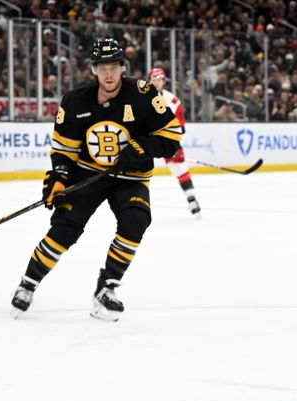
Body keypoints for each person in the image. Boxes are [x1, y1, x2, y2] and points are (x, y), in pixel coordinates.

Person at [10, 38, 182, 321]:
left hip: (131, 177)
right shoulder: (75, 101)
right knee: (65, 229)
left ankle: (107, 287)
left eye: (114, 67)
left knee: (136, 220)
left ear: (122, 67)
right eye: (103, 69)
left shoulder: (143, 94)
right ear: (93, 70)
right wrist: (60, 178)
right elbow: (63, 151)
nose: (109, 75)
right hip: (89, 174)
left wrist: (143, 148)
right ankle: (28, 283)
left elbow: (172, 136)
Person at [149, 67, 201, 217]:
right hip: (146, 140)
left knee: (179, 167)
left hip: (166, 141)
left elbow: (181, 130)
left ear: (164, 82)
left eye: (159, 80)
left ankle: (192, 199)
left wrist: (176, 146)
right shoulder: (142, 98)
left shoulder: (173, 102)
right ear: (149, 81)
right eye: (154, 79)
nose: (157, 83)